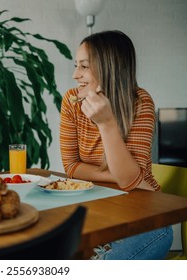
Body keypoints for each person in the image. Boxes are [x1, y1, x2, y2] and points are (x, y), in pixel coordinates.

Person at [59, 30, 173, 259]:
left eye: (84, 66)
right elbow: (71, 167)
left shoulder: (141, 102)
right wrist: (122, 175)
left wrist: (107, 123)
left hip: (139, 208)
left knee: (161, 233)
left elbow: (129, 181)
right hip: (95, 204)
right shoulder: (71, 102)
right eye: (76, 65)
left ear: (108, 67)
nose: (75, 75)